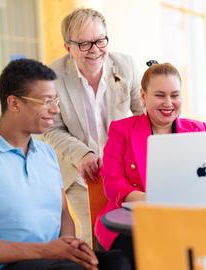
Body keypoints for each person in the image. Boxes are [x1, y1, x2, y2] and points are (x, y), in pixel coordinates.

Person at [0, 58, 130, 270]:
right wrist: (47, 251)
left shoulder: (46, 154)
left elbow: (63, 216)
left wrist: (70, 248)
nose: (55, 110)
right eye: (46, 101)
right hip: (9, 265)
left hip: (53, 261)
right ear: (14, 103)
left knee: (120, 262)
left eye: (56, 101)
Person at [94, 62, 206, 268]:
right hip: (129, 223)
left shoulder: (199, 129)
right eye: (160, 95)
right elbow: (112, 184)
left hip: (183, 221)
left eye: (174, 95)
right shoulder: (121, 130)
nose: (168, 103)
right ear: (143, 96)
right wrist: (153, 201)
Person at [42, 8, 142, 244]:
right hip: (80, 175)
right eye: (85, 44)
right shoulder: (52, 76)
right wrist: (82, 154)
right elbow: (51, 128)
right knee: (93, 237)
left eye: (99, 40)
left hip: (123, 173)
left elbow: (143, 116)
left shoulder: (125, 66)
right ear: (68, 47)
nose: (95, 50)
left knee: (128, 237)